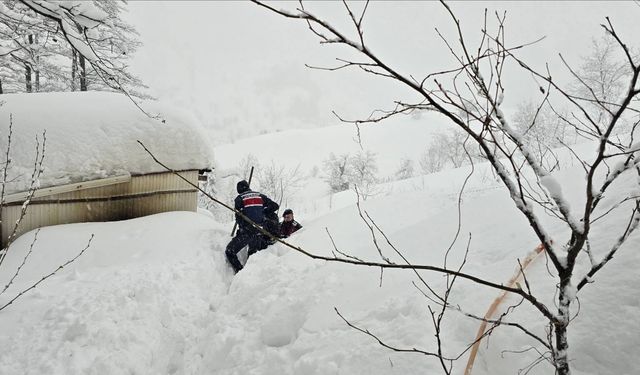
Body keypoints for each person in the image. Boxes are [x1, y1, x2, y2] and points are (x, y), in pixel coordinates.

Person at [225, 180, 279, 273]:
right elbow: (275, 206)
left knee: (230, 251)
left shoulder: (239, 199)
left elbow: (239, 219)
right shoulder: (259, 195)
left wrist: (242, 230)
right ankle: (251, 277)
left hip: (248, 232)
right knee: (252, 257)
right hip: (260, 231)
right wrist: (263, 213)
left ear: (239, 189)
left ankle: (240, 272)